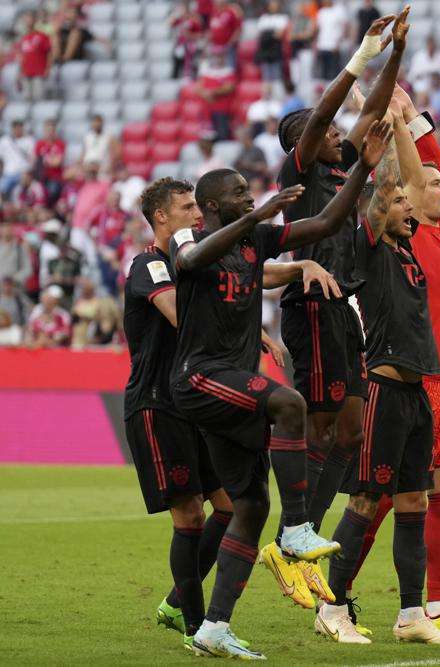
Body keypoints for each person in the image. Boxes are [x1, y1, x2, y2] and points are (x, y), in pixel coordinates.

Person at [169, 118, 390, 658]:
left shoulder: (260, 239)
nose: (250, 197)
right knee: (290, 402)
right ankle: (296, 528)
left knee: (249, 506)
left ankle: (213, 627)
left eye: (250, 191)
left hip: (229, 385)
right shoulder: (191, 238)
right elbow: (189, 261)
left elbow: (327, 220)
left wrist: (362, 168)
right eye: (238, 193)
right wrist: (259, 215)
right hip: (199, 376)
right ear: (212, 206)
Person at [129, 177, 337, 649]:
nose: (196, 215)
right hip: (161, 401)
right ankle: (190, 618)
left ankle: (200, 615)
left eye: (196, 206)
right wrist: (246, 325)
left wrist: (297, 267)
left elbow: (249, 273)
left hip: (209, 397)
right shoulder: (153, 264)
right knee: (189, 515)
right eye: (186, 208)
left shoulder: (217, 253)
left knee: (232, 505)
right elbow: (181, 311)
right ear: (161, 217)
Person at [265, 12, 403, 618]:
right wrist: (360, 55)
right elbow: (327, 113)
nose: (338, 132)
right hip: (311, 303)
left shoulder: (344, 164)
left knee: (351, 432)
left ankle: (305, 539)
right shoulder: (298, 170)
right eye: (326, 131)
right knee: (322, 429)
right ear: (304, 141)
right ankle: (289, 545)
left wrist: (395, 53)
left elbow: (371, 110)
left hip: (345, 306)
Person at [320, 120, 440, 646]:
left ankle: (411, 615)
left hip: (417, 394)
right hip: (382, 389)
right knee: (364, 501)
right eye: (400, 201)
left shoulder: (411, 253)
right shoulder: (374, 246)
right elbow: (380, 200)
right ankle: (332, 607)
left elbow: (419, 198)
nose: (408, 207)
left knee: (413, 504)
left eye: (408, 201)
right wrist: (377, 162)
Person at [14, 11, 53, 101]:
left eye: (29, 18)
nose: (27, 21)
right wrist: (19, 73)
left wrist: (48, 68)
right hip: (26, 72)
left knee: (39, 98)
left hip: (39, 72)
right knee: (27, 98)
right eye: (26, 19)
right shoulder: (24, 38)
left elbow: (49, 53)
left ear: (34, 20)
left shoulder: (42, 36)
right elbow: (22, 57)